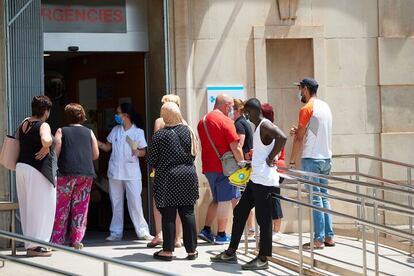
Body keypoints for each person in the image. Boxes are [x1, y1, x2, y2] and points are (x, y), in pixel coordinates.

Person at [211, 98, 287, 270]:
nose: (246, 117)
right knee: (239, 211)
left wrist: (270, 157)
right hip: (256, 179)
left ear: (253, 111)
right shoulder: (259, 126)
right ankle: (231, 252)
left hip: (266, 182)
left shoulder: (265, 125)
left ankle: (263, 258)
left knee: (263, 220)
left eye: (247, 113)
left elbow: (282, 137)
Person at [148, 102, 199, 261]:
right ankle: (191, 251)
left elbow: (151, 159)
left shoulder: (160, 135)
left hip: (167, 177)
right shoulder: (188, 131)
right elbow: (194, 154)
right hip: (188, 175)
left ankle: (168, 251)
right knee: (188, 212)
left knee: (168, 214)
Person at [289, 77, 334, 249]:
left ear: (306, 89)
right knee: (323, 197)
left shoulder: (306, 108)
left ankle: (318, 239)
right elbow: (315, 130)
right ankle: (329, 236)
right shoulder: (325, 106)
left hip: (312, 158)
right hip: (326, 158)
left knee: (315, 199)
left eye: (300, 88)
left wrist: (292, 161)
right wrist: (300, 131)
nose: (299, 92)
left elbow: (299, 139)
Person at [98, 103, 152, 241]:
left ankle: (142, 231)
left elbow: (143, 152)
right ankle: (116, 233)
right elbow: (106, 147)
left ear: (125, 115)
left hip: (131, 172)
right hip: (115, 172)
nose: (116, 116)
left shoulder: (137, 132)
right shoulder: (115, 130)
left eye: (118, 113)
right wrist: (94, 140)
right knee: (116, 202)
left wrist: (137, 151)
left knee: (134, 201)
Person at [50, 103, 99, 249]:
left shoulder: (61, 131)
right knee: (81, 207)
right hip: (85, 173)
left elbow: (55, 152)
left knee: (61, 207)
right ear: (81, 116)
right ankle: (77, 239)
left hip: (66, 173)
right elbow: (96, 155)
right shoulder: (89, 132)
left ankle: (57, 240)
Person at [197, 94, 244, 244]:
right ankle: (222, 234)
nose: (231, 109)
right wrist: (242, 164)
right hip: (225, 168)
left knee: (216, 199)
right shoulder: (226, 121)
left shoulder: (202, 121)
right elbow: (235, 147)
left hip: (209, 166)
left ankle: (206, 229)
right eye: (231, 106)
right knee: (224, 200)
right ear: (225, 106)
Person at [16, 95, 55, 257]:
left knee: (27, 208)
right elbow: (46, 139)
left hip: (22, 167)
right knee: (44, 207)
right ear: (45, 111)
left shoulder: (24, 123)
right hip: (38, 169)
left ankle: (30, 245)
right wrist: (47, 144)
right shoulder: (43, 124)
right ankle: (39, 246)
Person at [148, 94, 183, 249]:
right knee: (179, 203)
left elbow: (156, 145)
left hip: (161, 168)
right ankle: (178, 237)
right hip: (180, 169)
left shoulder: (159, 122)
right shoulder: (184, 123)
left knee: (158, 202)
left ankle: (160, 234)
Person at [261, 103, 286, 242]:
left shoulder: (270, 130)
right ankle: (273, 229)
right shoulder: (269, 129)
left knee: (274, 199)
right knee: (270, 199)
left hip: (276, 169)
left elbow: (276, 151)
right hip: (273, 169)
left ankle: (276, 230)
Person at [233, 99, 255, 236]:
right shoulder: (245, 122)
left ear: (236, 110)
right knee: (246, 196)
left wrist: (238, 160)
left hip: (243, 165)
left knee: (244, 197)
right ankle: (251, 228)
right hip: (247, 163)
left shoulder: (239, 124)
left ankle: (251, 228)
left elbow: (239, 144)